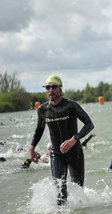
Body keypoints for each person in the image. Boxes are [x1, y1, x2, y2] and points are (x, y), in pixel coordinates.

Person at [28, 75, 94, 206]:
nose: (50, 90)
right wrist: (31, 149)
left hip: (75, 153)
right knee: (61, 193)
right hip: (57, 154)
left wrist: (74, 138)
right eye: (47, 87)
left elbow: (89, 124)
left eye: (54, 87)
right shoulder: (42, 109)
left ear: (60, 88)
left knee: (78, 191)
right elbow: (39, 129)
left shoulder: (71, 105)